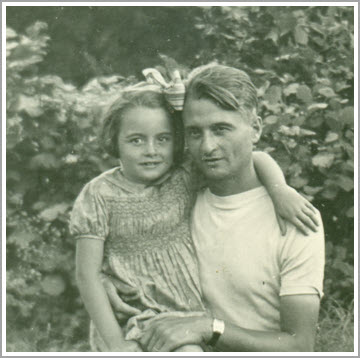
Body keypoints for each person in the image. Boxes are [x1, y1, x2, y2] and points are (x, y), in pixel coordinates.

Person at [69, 70, 320, 352]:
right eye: (195, 133)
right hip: (144, 325)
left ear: (256, 129)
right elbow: (89, 270)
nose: (209, 146)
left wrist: (280, 189)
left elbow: (301, 346)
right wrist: (109, 279)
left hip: (194, 328)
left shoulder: (291, 215)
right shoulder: (177, 189)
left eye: (221, 129)